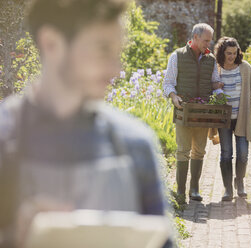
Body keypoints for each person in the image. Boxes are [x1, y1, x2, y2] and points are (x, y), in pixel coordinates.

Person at [0, 0, 171, 247]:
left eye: (117, 53)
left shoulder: (136, 145)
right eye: (103, 49)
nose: (115, 69)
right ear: (51, 43)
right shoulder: (4, 138)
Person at [163, 23, 221, 202]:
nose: (208, 45)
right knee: (183, 150)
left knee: (199, 151)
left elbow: (214, 82)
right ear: (195, 37)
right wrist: (173, 97)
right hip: (184, 111)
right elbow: (168, 83)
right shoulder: (177, 56)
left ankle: (194, 189)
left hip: (203, 112)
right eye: (205, 40)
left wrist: (220, 96)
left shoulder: (210, 59)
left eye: (210, 41)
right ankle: (180, 190)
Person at [214, 37, 251, 201]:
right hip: (224, 119)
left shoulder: (245, 68)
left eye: (235, 53)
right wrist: (215, 88)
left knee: (243, 154)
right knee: (226, 154)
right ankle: (228, 188)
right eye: (228, 53)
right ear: (222, 53)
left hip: (242, 117)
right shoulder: (217, 69)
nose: (232, 57)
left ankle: (240, 182)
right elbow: (210, 88)